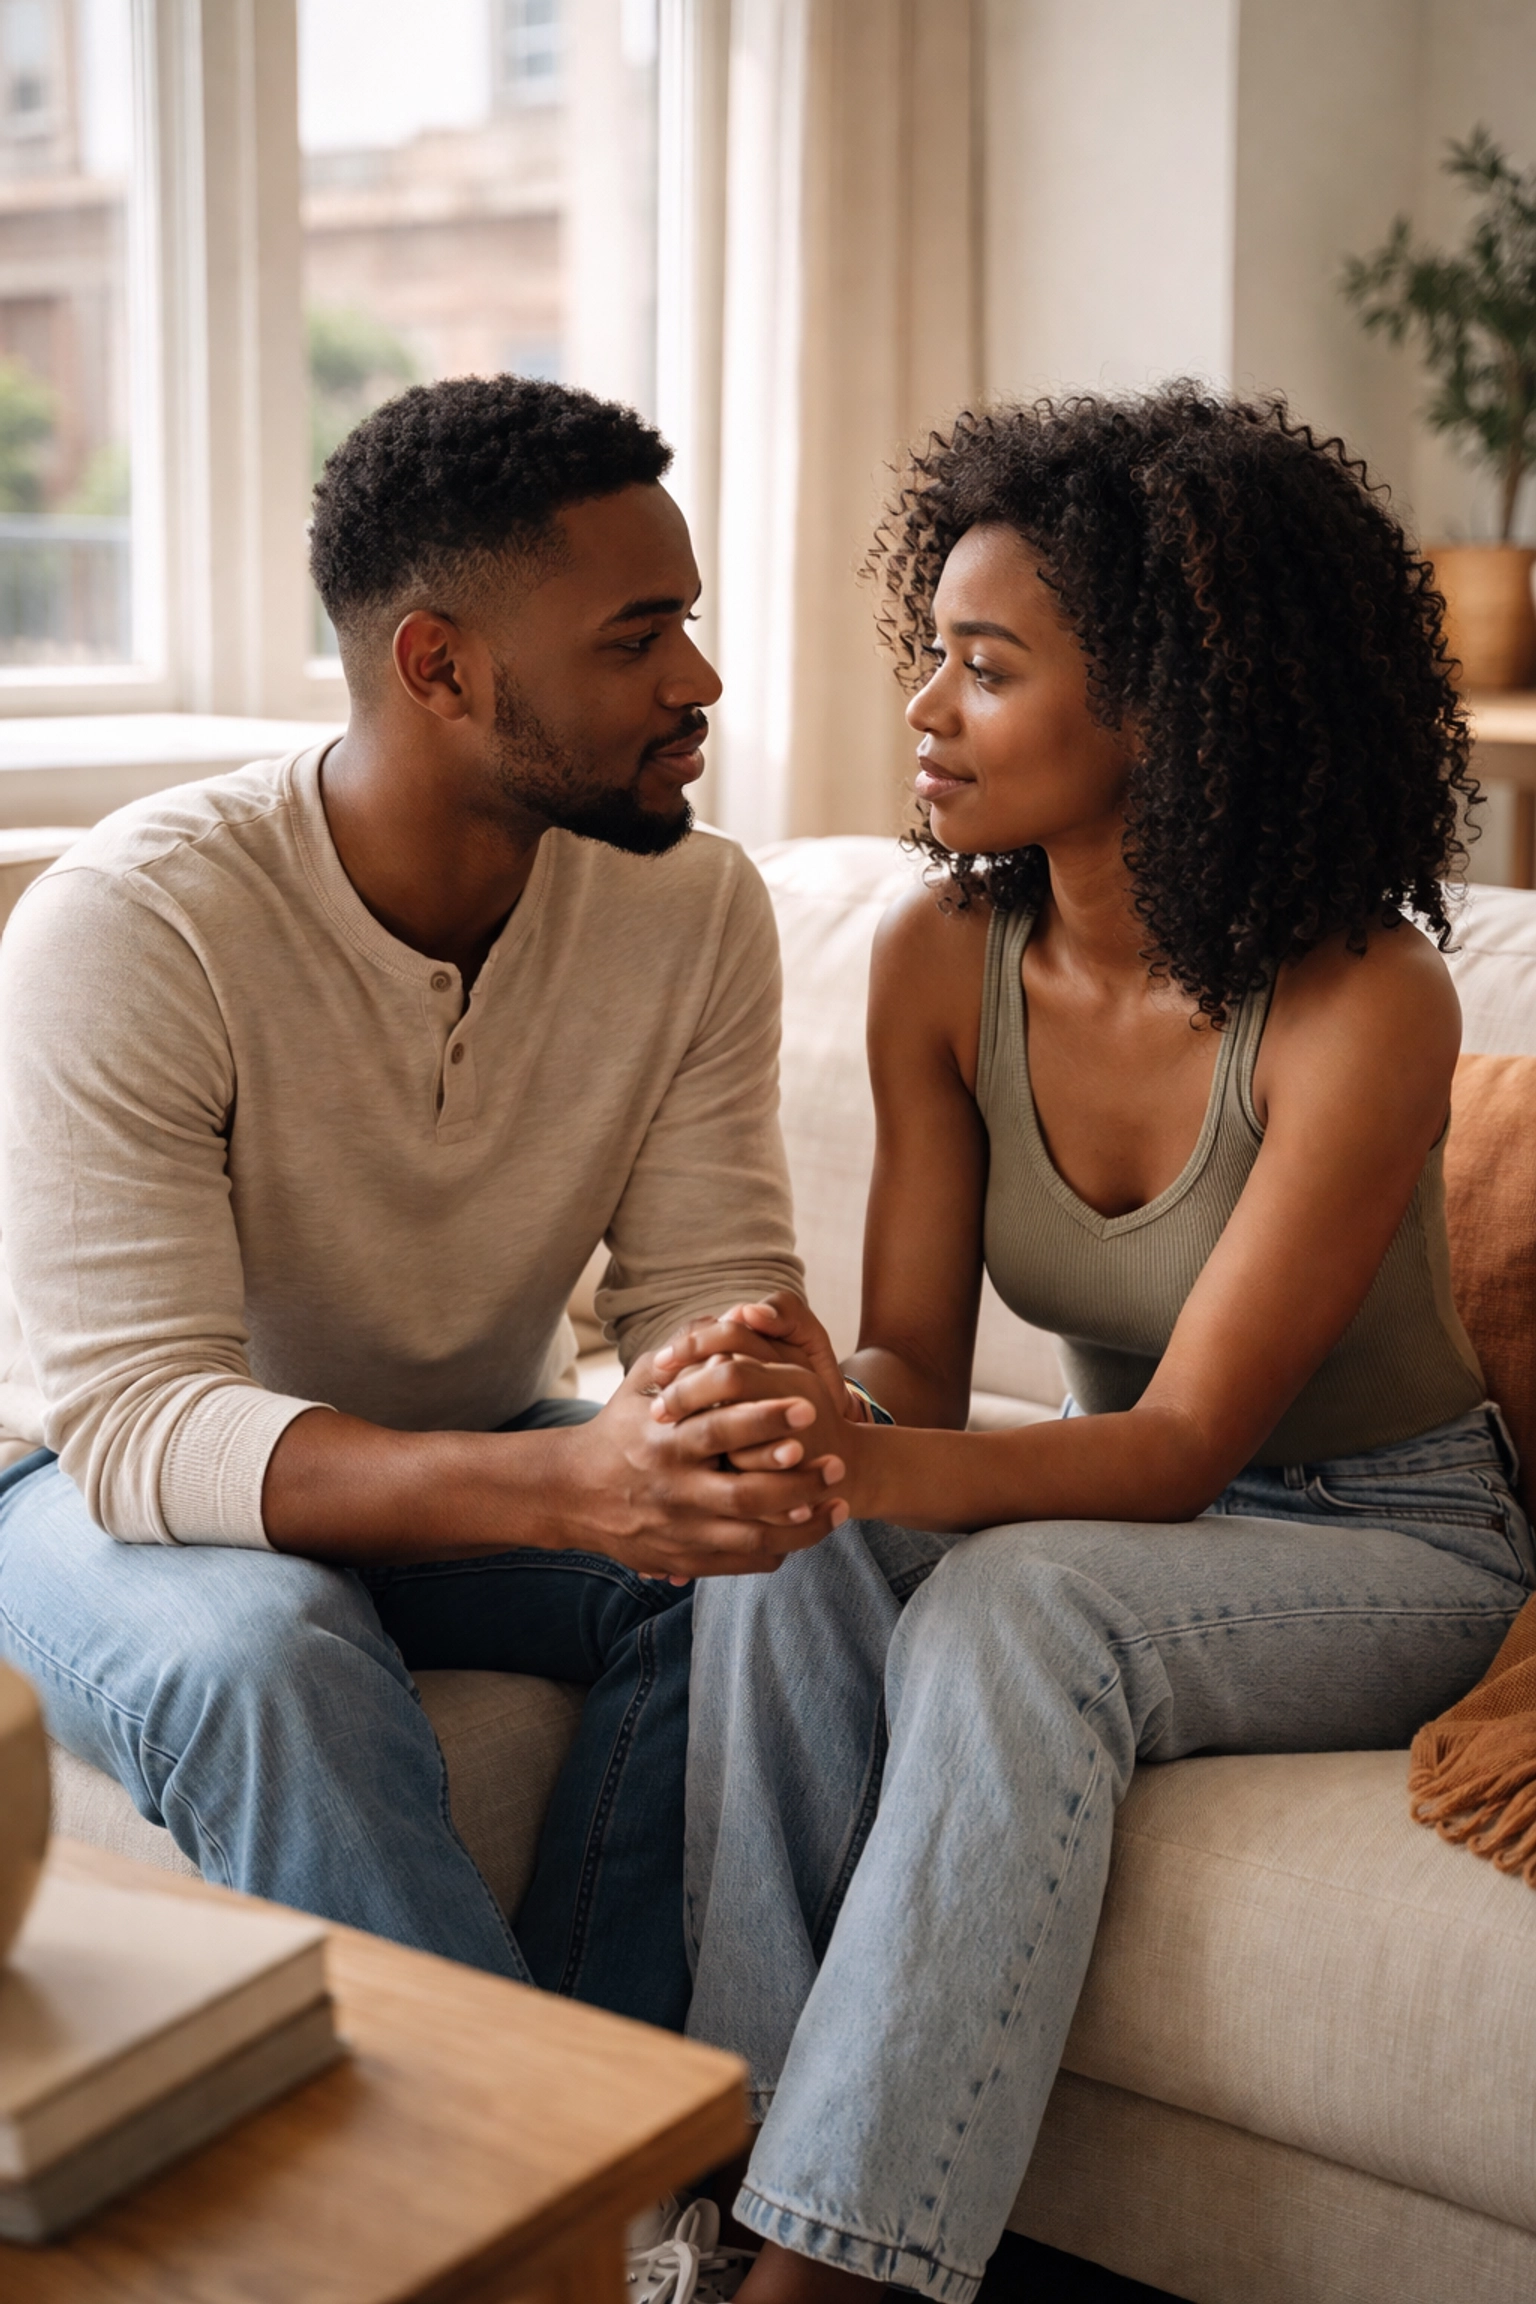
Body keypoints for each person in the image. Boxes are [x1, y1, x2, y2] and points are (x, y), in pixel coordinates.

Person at [649, 389, 1536, 2298]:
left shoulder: (1362, 998)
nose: (926, 712)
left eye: (988, 670)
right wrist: (805, 1410)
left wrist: (879, 1458)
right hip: (1110, 1515)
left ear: (1166, 708)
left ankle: (834, 2277)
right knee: (777, 1562)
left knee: (1012, 1610)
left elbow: (1190, 1441)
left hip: (1385, 1538)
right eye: (932, 658)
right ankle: (716, 2189)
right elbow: (907, 1349)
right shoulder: (931, 962)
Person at [0, 374, 850, 2030]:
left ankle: (632, 2178)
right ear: (439, 666)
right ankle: (539, 2246)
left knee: (795, 1562)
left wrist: (735, 1404)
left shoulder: (693, 908)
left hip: (458, 1440)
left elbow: (707, 1284)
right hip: (80, 1494)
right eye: (635, 638)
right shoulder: (133, 924)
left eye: (688, 620)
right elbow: (142, 1426)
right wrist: (571, 1491)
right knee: (268, 1655)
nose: (702, 680)